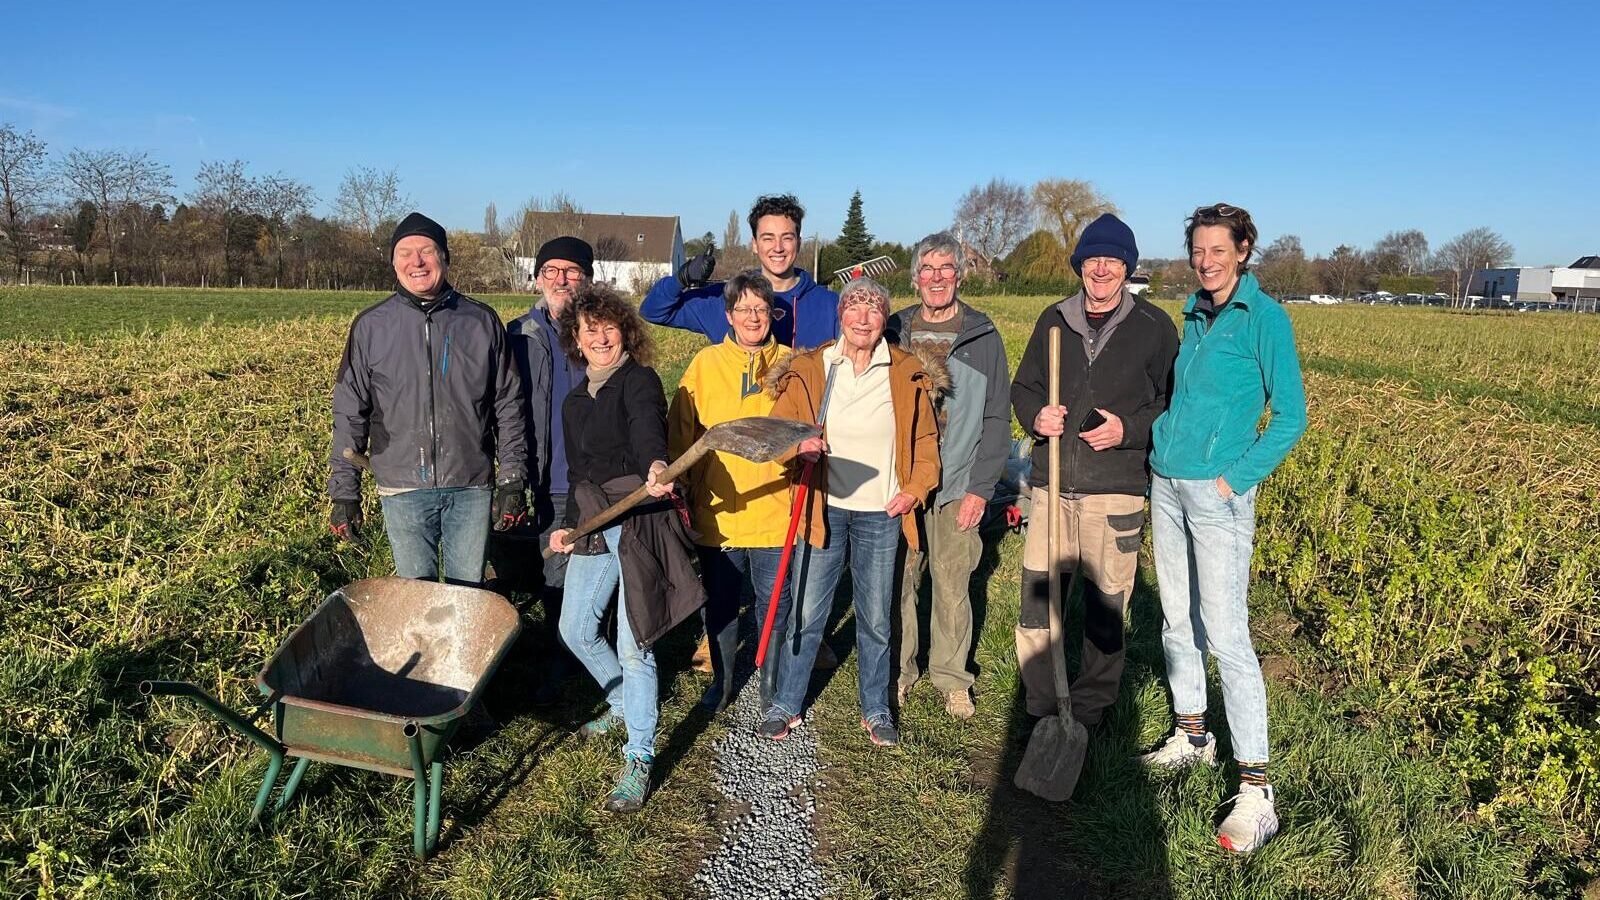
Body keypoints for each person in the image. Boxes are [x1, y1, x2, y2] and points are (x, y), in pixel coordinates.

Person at [1138, 202, 1307, 853]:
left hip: (1217, 497)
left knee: (1228, 637)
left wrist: (1233, 481)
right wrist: (1161, 452)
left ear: (1242, 251)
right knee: (1177, 619)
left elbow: (1290, 417)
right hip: (1167, 484)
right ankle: (1193, 735)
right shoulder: (1194, 313)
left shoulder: (1264, 319)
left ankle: (1257, 792)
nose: (1205, 261)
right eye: (1198, 250)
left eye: (1218, 250)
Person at [1010, 213, 1178, 730]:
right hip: (1052, 487)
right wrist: (1035, 418)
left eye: (1112, 260)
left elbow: (1171, 405)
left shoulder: (1154, 328)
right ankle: (1040, 703)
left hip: (1114, 491)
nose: (1101, 269)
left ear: (1127, 267)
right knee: (1039, 599)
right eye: (1092, 259)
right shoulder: (1054, 319)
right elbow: (1024, 387)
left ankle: (1089, 708)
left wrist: (1127, 429)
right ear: (1079, 265)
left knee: (1106, 607)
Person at [762, 277, 942, 748]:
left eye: (874, 309)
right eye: (854, 308)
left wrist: (914, 490)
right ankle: (786, 701)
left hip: (882, 512)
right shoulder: (812, 368)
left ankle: (876, 706)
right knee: (808, 611)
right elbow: (779, 431)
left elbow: (926, 442)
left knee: (876, 616)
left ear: (885, 318)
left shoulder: (905, 372)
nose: (863, 318)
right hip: (823, 508)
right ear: (840, 315)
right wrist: (798, 448)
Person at [548, 283, 705, 814]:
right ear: (576, 339)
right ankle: (619, 701)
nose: (600, 339)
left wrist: (657, 466)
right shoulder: (574, 402)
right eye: (589, 330)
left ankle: (638, 755)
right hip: (595, 519)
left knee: (636, 641)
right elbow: (578, 475)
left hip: (639, 517)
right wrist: (568, 529)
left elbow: (647, 435)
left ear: (626, 332)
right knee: (575, 628)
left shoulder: (639, 381)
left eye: (608, 328)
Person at [329, 212, 527, 585]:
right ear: (393, 263)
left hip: (470, 485)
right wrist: (344, 493)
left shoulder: (481, 322)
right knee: (416, 595)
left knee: (466, 595)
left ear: (445, 258)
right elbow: (349, 413)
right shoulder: (371, 327)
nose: (416, 262)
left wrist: (512, 480)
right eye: (405, 253)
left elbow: (508, 406)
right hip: (402, 487)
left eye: (427, 251)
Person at [887, 231, 1011, 720]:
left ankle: (952, 677)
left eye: (946, 269)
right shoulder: (894, 330)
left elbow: (997, 417)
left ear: (959, 276)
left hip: (958, 482)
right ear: (915, 277)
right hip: (903, 482)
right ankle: (900, 671)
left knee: (953, 581)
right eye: (927, 269)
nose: (936, 278)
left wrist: (981, 489)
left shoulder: (982, 336)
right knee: (900, 581)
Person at [668, 270, 793, 713]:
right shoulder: (705, 365)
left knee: (774, 603)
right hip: (718, 511)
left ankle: (771, 685)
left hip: (776, 509)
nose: (753, 317)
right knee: (720, 603)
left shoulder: (792, 365)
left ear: (772, 314)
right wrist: (682, 483)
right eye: (744, 309)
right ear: (729, 315)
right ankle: (721, 683)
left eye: (761, 308)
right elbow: (681, 431)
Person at [495, 237, 593, 698]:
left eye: (572, 271)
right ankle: (522, 653)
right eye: (551, 270)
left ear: (587, 279)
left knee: (565, 572)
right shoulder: (516, 335)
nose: (561, 279)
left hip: (578, 477)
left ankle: (563, 662)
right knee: (530, 567)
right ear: (537, 279)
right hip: (527, 473)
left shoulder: (599, 333)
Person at [641, 194, 839, 348]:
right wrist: (681, 279)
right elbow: (653, 311)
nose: (778, 247)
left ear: (799, 243)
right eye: (768, 238)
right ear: (754, 244)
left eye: (787, 238)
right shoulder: (725, 298)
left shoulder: (830, 305)